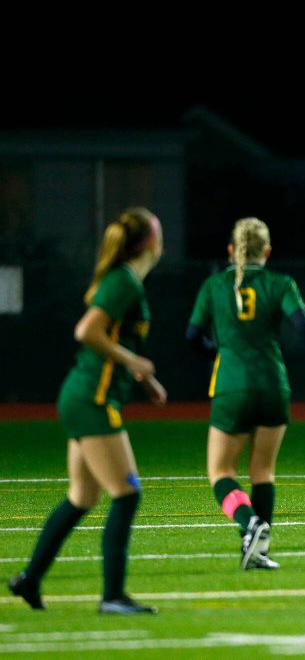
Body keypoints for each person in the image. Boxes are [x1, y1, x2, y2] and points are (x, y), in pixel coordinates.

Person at [7, 208, 164, 614]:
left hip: (83, 397)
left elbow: (113, 338)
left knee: (81, 496)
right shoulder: (125, 282)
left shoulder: (126, 281)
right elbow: (87, 330)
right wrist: (134, 362)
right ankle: (112, 597)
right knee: (127, 494)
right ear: (149, 241)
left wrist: (144, 379)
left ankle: (29, 580)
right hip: (92, 401)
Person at [186, 217, 305, 570]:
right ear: (266, 251)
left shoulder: (216, 285)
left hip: (231, 387)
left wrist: (218, 353)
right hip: (272, 386)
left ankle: (249, 523)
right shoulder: (280, 283)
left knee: (221, 472)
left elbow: (192, 336)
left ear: (232, 250)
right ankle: (259, 551)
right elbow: (304, 327)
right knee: (262, 471)